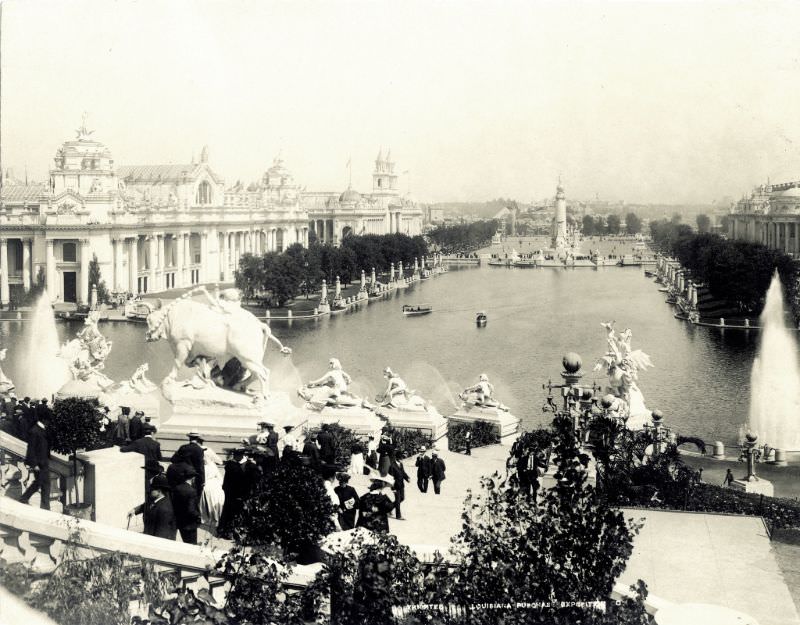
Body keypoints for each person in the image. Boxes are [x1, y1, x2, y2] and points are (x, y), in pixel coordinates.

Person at [127, 474, 176, 540]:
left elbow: (161, 534)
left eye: (152, 489)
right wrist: (134, 510)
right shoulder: (155, 500)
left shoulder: (164, 509)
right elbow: (146, 505)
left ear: (159, 491)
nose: (149, 491)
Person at [19, 413, 51, 509]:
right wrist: (34, 464)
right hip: (39, 463)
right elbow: (31, 449)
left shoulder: (41, 429)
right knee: (43, 483)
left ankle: (25, 498)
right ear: (44, 420)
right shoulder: (35, 431)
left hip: (43, 461)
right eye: (48, 420)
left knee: (41, 483)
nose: (49, 422)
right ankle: (44, 506)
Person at [218, 448, 248, 537]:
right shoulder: (234, 466)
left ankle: (225, 530)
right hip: (233, 493)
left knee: (229, 511)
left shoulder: (231, 464)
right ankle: (228, 532)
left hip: (233, 492)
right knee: (231, 512)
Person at [171, 467, 201, 545]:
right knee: (192, 544)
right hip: (190, 524)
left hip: (180, 522)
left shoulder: (176, 488)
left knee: (185, 542)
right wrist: (198, 516)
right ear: (192, 478)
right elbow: (191, 510)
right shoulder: (192, 491)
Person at [200, 445, 225, 529]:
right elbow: (219, 463)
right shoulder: (212, 464)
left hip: (209, 481)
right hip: (214, 481)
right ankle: (216, 515)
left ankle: (209, 515)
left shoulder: (204, 466)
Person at [172, 431, 205, 496]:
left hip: (181, 476)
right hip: (193, 477)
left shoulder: (183, 447)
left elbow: (173, 459)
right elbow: (200, 466)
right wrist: (202, 480)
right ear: (197, 438)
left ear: (189, 438)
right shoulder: (199, 449)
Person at [388, 455, 411, 520]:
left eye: (402, 458)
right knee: (398, 500)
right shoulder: (392, 466)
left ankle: (389, 508)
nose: (402, 459)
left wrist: (407, 478)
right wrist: (393, 488)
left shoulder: (401, 464)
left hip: (401, 485)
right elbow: (391, 478)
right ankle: (398, 516)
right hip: (395, 486)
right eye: (401, 458)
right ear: (397, 458)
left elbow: (403, 473)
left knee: (402, 498)